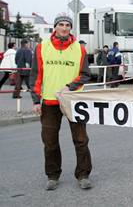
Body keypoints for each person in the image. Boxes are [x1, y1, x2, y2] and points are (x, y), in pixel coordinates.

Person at [30, 13, 92, 190]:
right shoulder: (42, 47)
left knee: (81, 140)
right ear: (55, 27)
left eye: (67, 25)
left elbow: (85, 74)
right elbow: (36, 76)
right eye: (61, 25)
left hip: (74, 101)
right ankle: (53, 175)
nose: (64, 28)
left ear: (70, 28)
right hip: (49, 102)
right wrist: (36, 100)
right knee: (49, 141)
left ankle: (83, 175)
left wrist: (70, 86)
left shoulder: (79, 49)